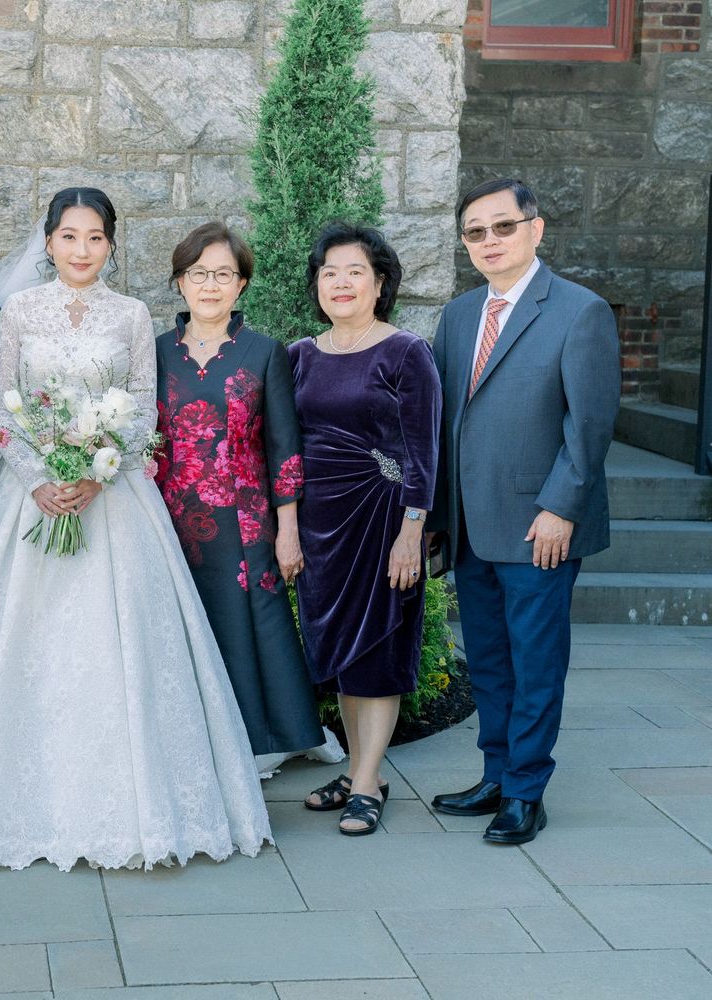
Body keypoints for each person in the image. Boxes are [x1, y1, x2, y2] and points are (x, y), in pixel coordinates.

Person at [0, 188, 271, 871]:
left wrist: (98, 471)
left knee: (128, 648)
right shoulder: (20, 311)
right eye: (69, 237)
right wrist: (39, 477)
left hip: (114, 498)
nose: (81, 250)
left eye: (95, 238)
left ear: (111, 244)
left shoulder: (132, 314)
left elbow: (143, 406)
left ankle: (140, 807)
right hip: (34, 500)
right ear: (49, 241)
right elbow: (2, 407)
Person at [427, 178, 619, 845]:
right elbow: (447, 422)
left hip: (540, 525)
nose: (490, 241)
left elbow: (589, 425)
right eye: (475, 232)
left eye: (503, 226)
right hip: (470, 523)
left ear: (535, 229)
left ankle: (526, 792)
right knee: (487, 659)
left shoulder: (580, 311)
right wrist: (437, 515)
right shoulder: (458, 316)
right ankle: (495, 775)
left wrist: (561, 507)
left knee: (535, 661)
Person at [288, 223, 441, 836]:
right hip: (320, 528)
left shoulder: (406, 353)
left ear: (380, 284)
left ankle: (367, 783)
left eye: (355, 271)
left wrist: (411, 532)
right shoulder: (299, 356)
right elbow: (285, 447)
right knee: (343, 658)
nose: (341, 282)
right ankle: (359, 773)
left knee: (376, 654)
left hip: (381, 523)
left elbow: (423, 453)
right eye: (329, 272)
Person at [154, 221, 325, 763]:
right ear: (180, 282)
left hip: (246, 521)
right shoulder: (153, 353)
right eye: (198, 274)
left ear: (242, 284)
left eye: (223, 274)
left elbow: (284, 447)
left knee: (254, 623)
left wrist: (288, 530)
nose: (210, 285)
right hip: (169, 519)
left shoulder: (264, 352)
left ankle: (264, 742)